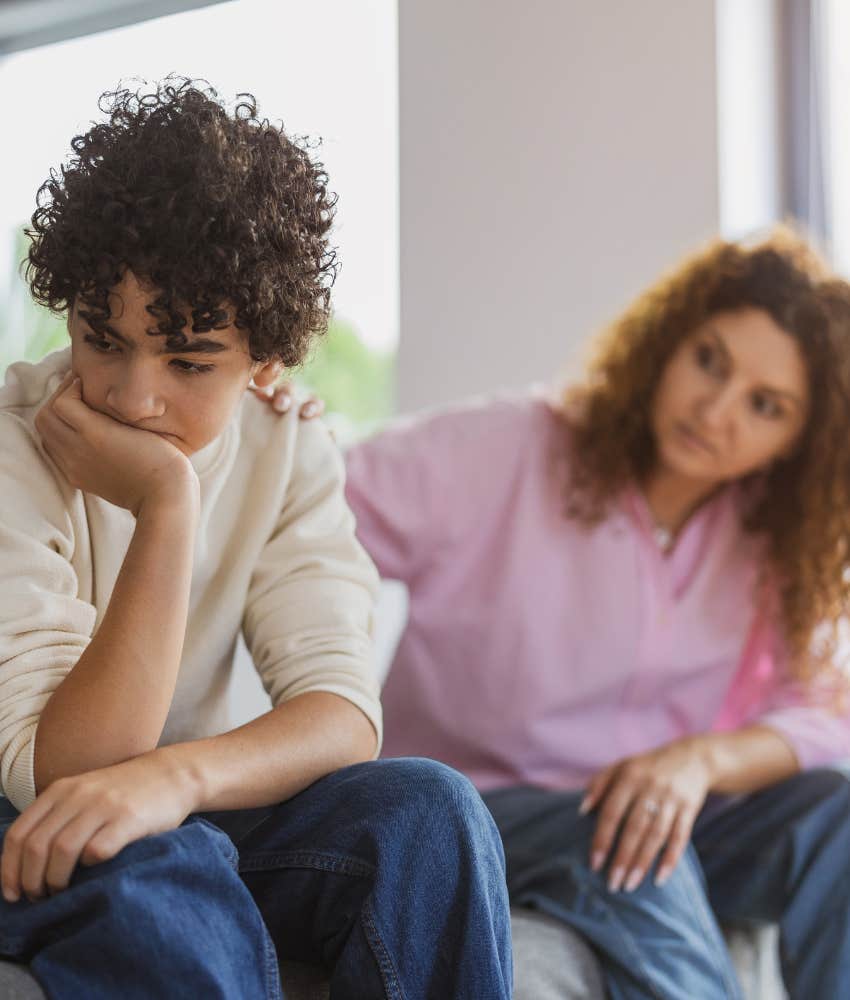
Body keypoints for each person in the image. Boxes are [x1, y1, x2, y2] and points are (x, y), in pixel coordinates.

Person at [0, 78, 512, 999]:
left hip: (160, 803)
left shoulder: (289, 445)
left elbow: (343, 713)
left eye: (190, 362)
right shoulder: (12, 445)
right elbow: (70, 771)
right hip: (22, 814)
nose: (131, 395)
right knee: (167, 861)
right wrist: (168, 502)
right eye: (100, 337)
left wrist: (178, 780)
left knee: (431, 812)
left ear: (266, 362)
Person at [267, 229, 850, 999]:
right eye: (710, 360)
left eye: (765, 405)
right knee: (634, 854)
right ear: (668, 342)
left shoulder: (770, 541)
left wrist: (697, 761)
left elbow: (820, 709)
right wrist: (275, 425)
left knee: (835, 820)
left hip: (659, 805)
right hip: (481, 807)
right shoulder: (510, 448)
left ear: (797, 441)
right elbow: (319, 499)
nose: (716, 410)